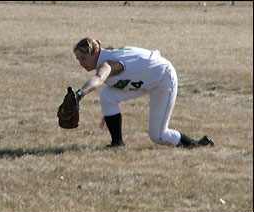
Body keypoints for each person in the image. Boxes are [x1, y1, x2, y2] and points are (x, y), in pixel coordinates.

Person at [72, 37, 214, 148]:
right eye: (78, 60)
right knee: (108, 96)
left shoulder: (107, 63)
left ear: (96, 52)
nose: (81, 64)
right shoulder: (107, 57)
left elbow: (99, 78)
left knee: (158, 136)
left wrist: (79, 94)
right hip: (146, 80)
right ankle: (117, 143)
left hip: (163, 80)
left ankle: (197, 145)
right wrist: (110, 115)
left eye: (84, 58)